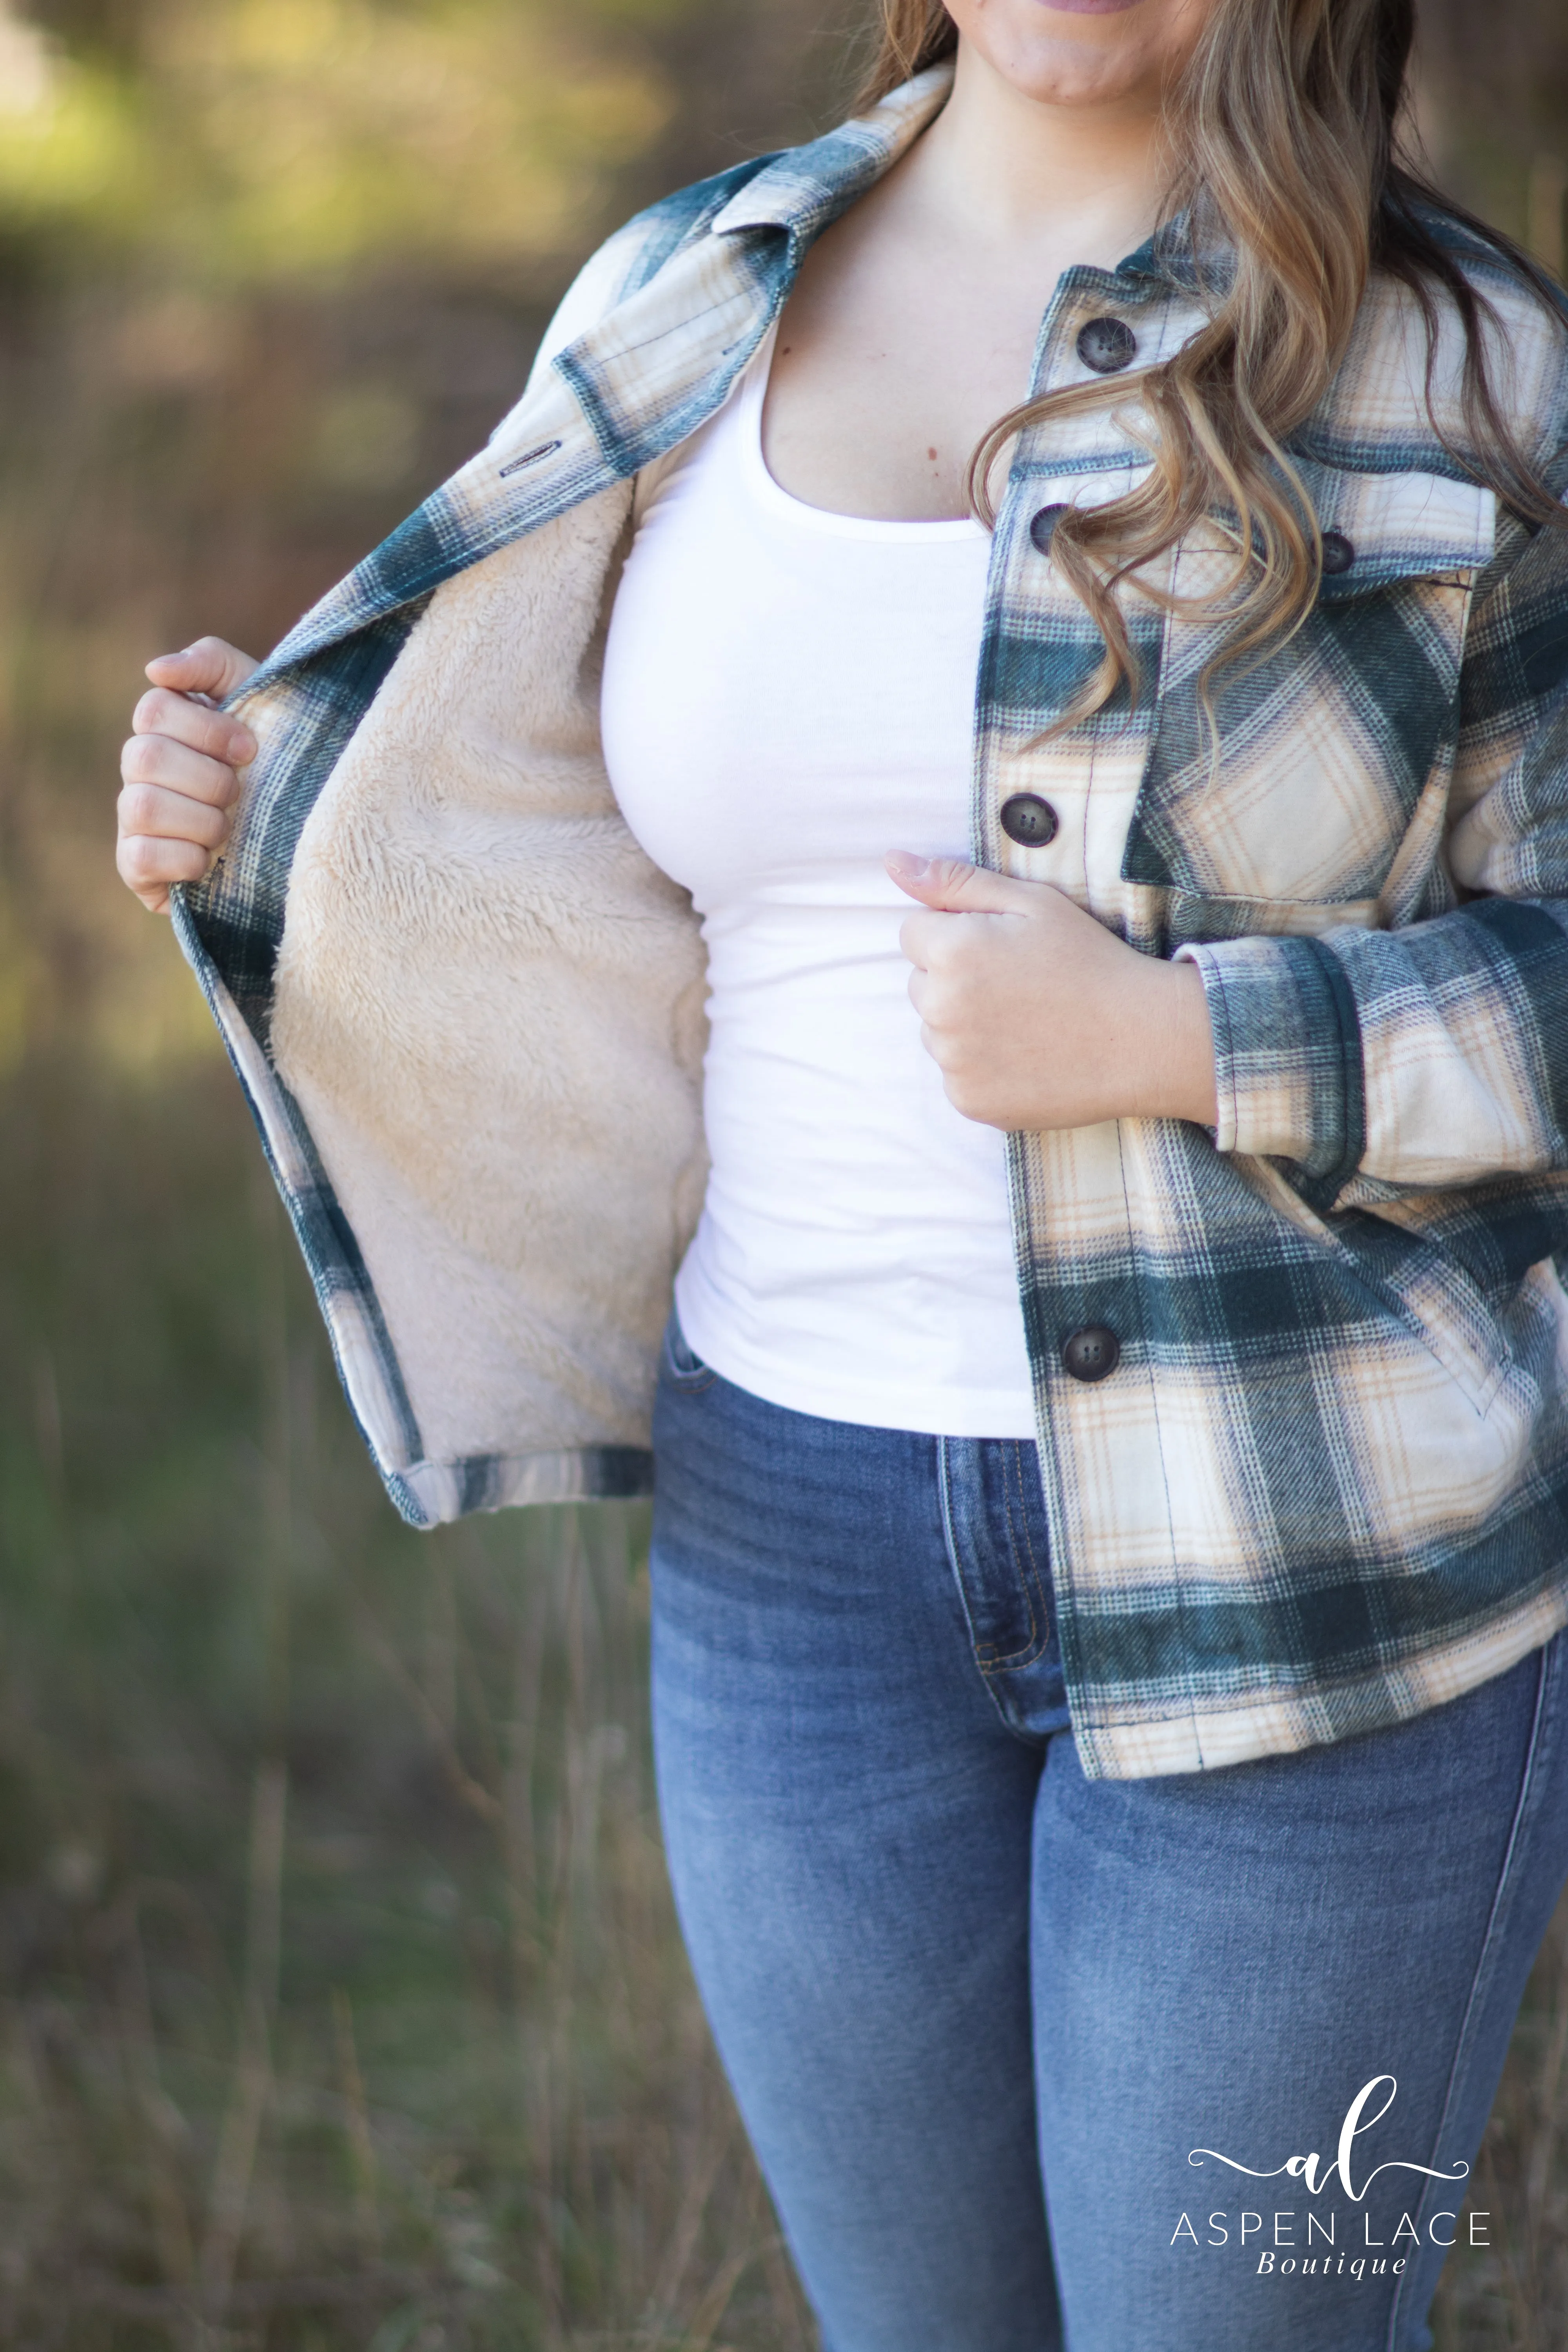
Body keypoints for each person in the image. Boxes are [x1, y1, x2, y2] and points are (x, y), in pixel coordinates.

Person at [113, 0, 1568, 2344]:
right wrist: (254, 801)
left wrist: (1186, 1042)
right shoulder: (689, 289)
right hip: (796, 1562)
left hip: (1315, 1571)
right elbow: (517, 827)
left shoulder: (1468, 367)